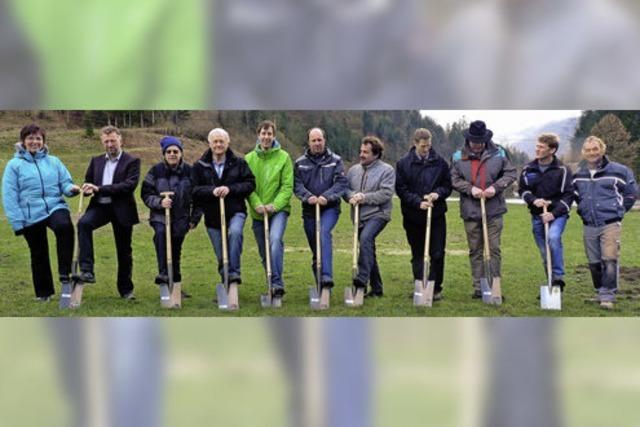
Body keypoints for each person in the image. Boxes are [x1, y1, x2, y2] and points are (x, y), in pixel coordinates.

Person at [2, 124, 80, 300]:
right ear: (23, 141)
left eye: (38, 138)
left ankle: (65, 274)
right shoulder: (14, 165)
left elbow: (65, 183)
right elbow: (9, 195)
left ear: (43, 141)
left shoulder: (54, 161)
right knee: (38, 251)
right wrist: (17, 222)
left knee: (64, 226)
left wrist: (71, 189)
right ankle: (44, 293)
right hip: (30, 213)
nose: (34, 142)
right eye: (30, 138)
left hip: (55, 206)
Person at [451, 120, 517, 299]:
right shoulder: (458, 156)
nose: (477, 145)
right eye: (474, 142)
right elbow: (454, 179)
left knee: (493, 248)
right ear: (468, 139)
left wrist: (495, 188)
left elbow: (511, 173)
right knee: (475, 250)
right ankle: (479, 288)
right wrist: (470, 189)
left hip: (494, 209)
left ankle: (494, 286)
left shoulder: (499, 153)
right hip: (470, 210)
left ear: (486, 139)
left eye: (480, 142)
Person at [572, 136, 638, 309]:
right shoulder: (579, 173)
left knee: (609, 259)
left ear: (602, 150)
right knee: (594, 262)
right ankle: (600, 291)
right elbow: (575, 195)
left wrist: (619, 211)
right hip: (589, 224)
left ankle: (608, 296)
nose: (592, 153)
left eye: (595, 149)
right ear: (583, 153)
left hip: (610, 222)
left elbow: (631, 194)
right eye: (588, 150)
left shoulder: (620, 170)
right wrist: (582, 210)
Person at [77, 126, 140, 299]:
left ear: (121, 140)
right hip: (100, 207)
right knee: (83, 224)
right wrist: (88, 187)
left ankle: (126, 290)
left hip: (122, 209)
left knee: (124, 251)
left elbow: (128, 186)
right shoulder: (96, 160)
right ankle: (87, 270)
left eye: (113, 140)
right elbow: (89, 180)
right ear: (102, 142)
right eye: (106, 141)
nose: (110, 144)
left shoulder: (132, 161)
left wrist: (100, 188)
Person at [191, 128, 255, 291]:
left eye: (221, 141)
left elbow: (250, 184)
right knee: (221, 255)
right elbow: (194, 190)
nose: (218, 145)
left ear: (228, 143)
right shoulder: (199, 166)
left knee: (235, 234)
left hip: (235, 211)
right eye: (215, 141)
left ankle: (234, 274)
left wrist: (230, 189)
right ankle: (227, 282)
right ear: (209, 143)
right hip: (212, 217)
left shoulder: (239, 163)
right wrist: (211, 191)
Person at [141, 136, 201, 298]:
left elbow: (198, 197)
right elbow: (145, 194)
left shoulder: (190, 171)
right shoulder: (155, 171)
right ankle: (163, 275)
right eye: (169, 151)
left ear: (181, 153)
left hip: (181, 218)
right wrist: (160, 202)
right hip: (160, 216)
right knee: (160, 236)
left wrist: (194, 219)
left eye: (176, 151)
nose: (172, 154)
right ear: (164, 154)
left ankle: (176, 287)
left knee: (175, 251)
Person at [395, 128, 452, 300]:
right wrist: (417, 202)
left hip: (436, 215)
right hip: (413, 216)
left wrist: (437, 194)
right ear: (415, 144)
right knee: (418, 253)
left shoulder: (440, 163)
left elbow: (447, 186)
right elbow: (401, 189)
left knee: (437, 253)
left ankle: (435, 288)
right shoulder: (403, 164)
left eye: (428, 146)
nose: (426, 149)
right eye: (423, 146)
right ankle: (420, 285)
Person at [518, 133, 574, 292]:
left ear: (552, 150)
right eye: (537, 146)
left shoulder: (562, 170)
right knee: (545, 252)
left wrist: (553, 213)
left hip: (557, 215)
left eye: (541, 147)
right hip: (537, 216)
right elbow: (522, 190)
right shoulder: (528, 169)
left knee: (554, 238)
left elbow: (569, 195)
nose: (537, 149)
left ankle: (558, 278)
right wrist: (533, 200)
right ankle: (551, 285)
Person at [294, 127, 347, 291]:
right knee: (317, 249)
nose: (317, 143)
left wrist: (327, 196)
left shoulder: (336, 161)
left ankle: (326, 277)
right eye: (313, 140)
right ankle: (321, 284)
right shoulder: (300, 163)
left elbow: (341, 184)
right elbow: (296, 185)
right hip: (309, 211)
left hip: (329, 209)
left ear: (324, 141)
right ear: (308, 142)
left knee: (323, 233)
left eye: (319, 140)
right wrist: (307, 196)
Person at [245, 120, 293, 301]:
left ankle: (277, 284)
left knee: (274, 241)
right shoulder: (249, 159)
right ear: (258, 135)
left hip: (278, 211)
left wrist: (275, 205)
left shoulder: (284, 157)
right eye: (263, 134)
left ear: (274, 136)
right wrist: (257, 204)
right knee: (264, 251)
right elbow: (248, 186)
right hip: (258, 212)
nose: (266, 137)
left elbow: (287, 186)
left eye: (269, 134)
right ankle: (271, 284)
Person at [344, 136, 395, 298]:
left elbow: (386, 194)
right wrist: (352, 196)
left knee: (365, 239)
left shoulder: (387, 170)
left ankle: (361, 280)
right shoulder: (353, 170)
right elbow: (345, 190)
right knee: (368, 250)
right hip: (359, 217)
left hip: (379, 214)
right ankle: (377, 289)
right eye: (361, 151)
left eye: (365, 152)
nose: (361, 155)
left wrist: (364, 198)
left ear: (376, 154)